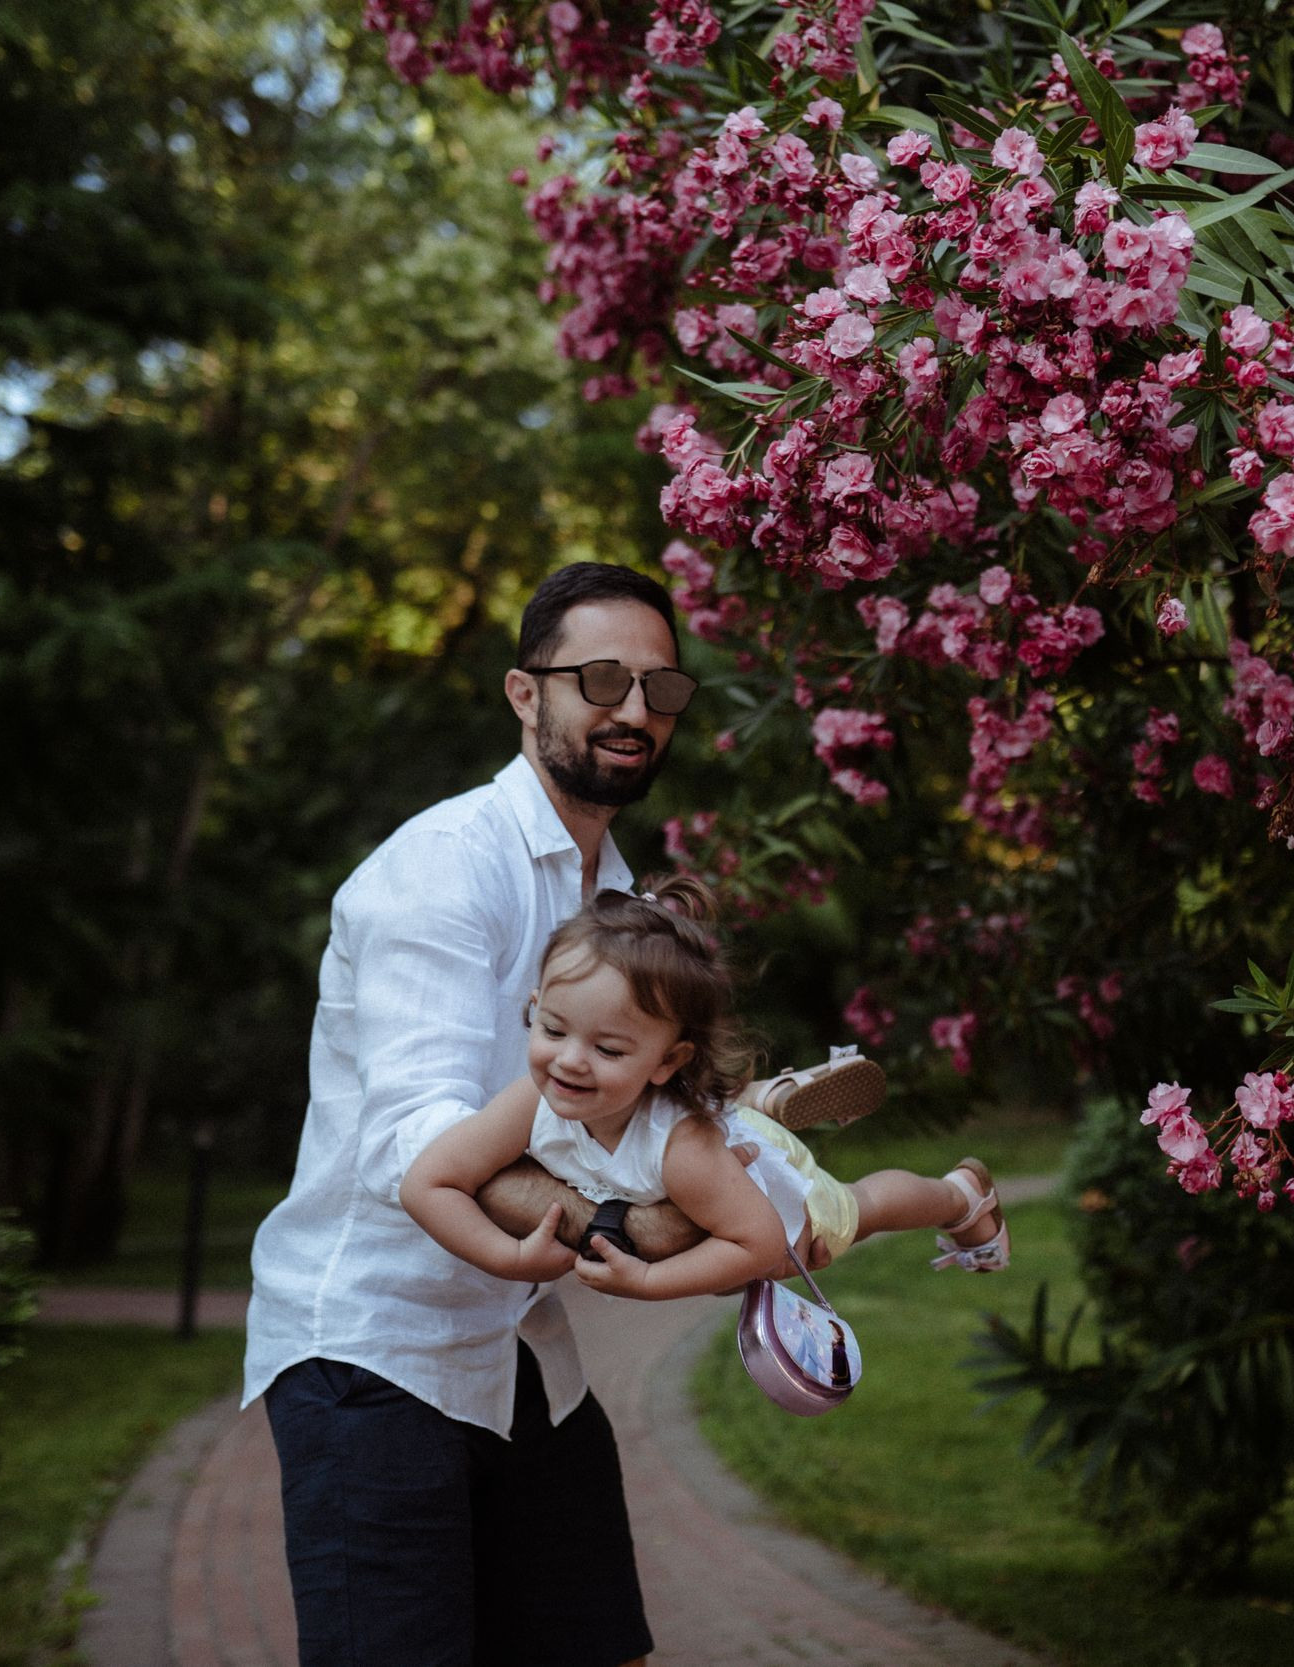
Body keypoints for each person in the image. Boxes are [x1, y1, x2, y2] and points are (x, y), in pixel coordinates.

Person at [243, 563, 869, 1667]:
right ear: (524, 695)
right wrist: (635, 1226)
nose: (635, 709)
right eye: (601, 678)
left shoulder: (611, 901)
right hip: (375, 1358)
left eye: (661, 688)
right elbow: (419, 1149)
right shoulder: (446, 870)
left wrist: (731, 1164)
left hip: (519, 1343)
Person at [399, 878, 1010, 1306]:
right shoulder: (529, 1103)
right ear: (535, 1007)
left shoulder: (679, 1149)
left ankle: (959, 1197)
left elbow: (759, 1243)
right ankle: (748, 1099)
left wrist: (646, 1282)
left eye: (608, 1050)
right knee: (693, 1138)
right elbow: (426, 1182)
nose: (570, 1061)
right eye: (553, 1028)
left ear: (668, 1060)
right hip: (694, 1148)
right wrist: (504, 1259)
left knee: (859, 1209)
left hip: (766, 1194)